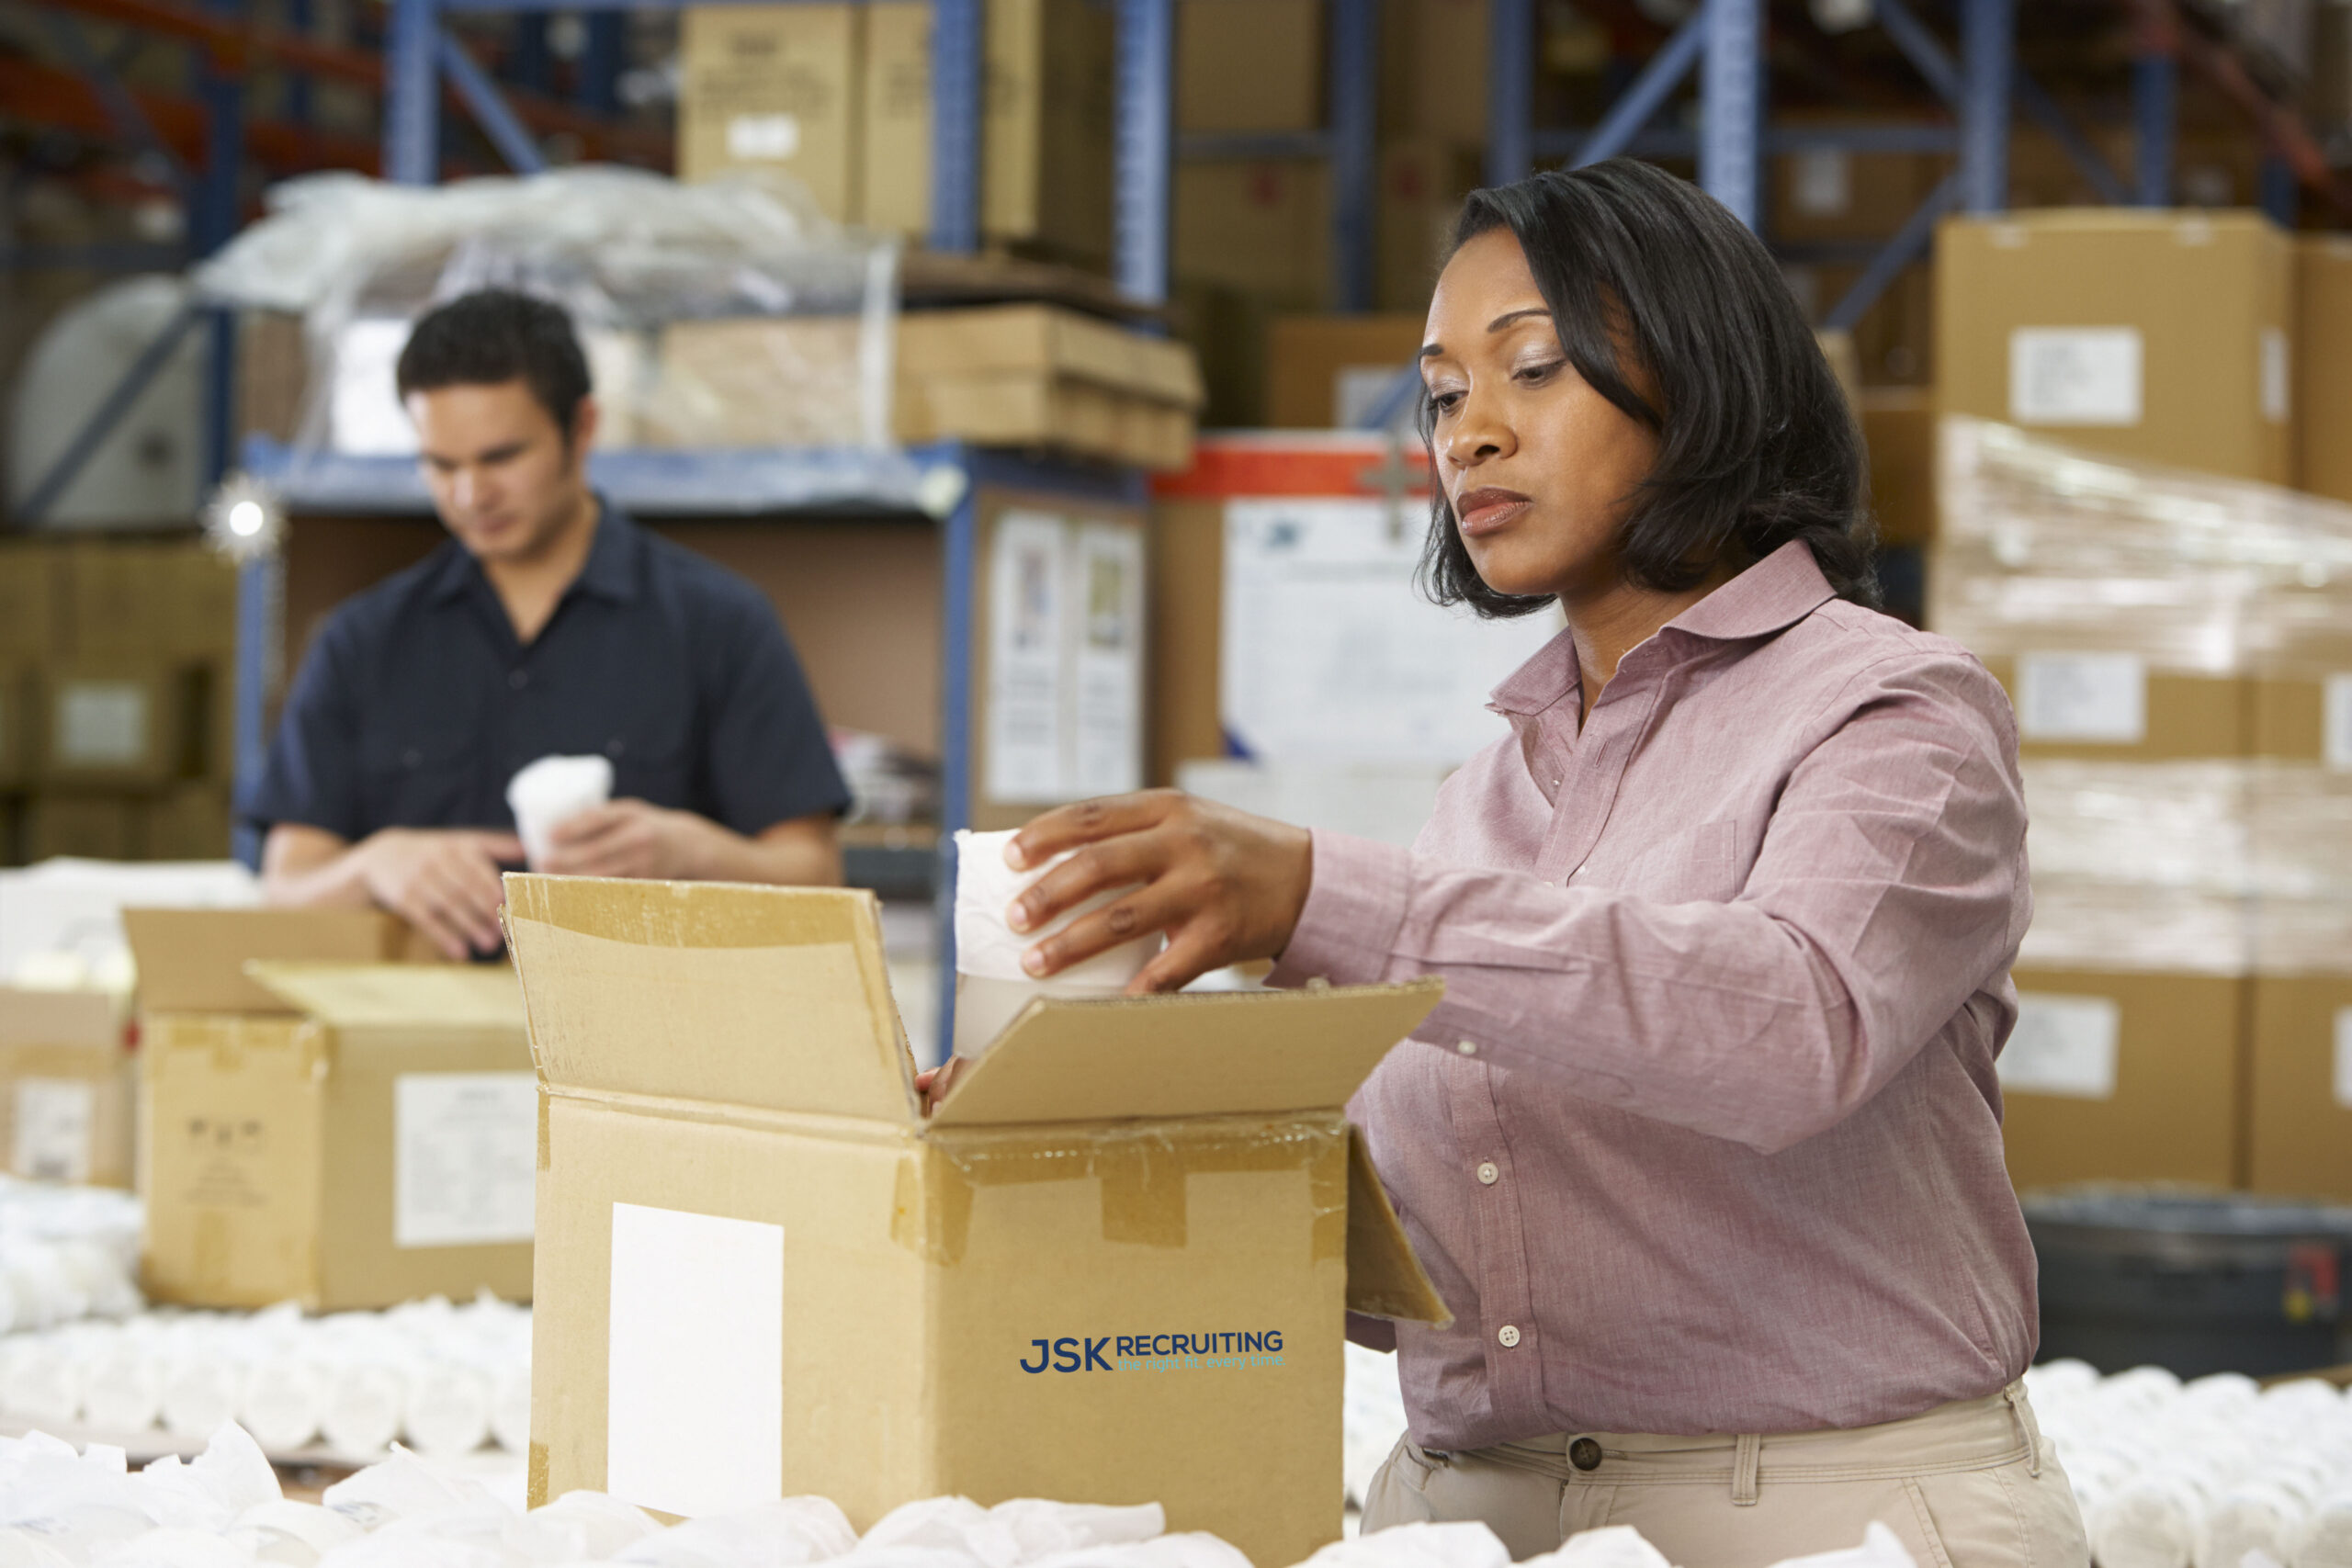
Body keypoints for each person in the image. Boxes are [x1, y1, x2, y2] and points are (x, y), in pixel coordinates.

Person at [924, 162, 2089, 1566]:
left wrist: (1318, 898)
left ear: (1705, 373)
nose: (1469, 435)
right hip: (1475, 1512)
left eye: (1529, 368)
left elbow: (1794, 1026)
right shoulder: (1485, 794)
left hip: (1822, 1512)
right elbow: (1437, 1238)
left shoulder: (1895, 712)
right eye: (1440, 396)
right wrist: (1112, 1142)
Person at [245, 289, 850, 959]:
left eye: (501, 457)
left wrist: (691, 849)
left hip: (643, 1043)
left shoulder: (718, 624)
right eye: (442, 465)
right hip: (415, 1039)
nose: (472, 495)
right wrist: (375, 863)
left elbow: (815, 876)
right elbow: (286, 884)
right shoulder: (362, 640)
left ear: (582, 428)